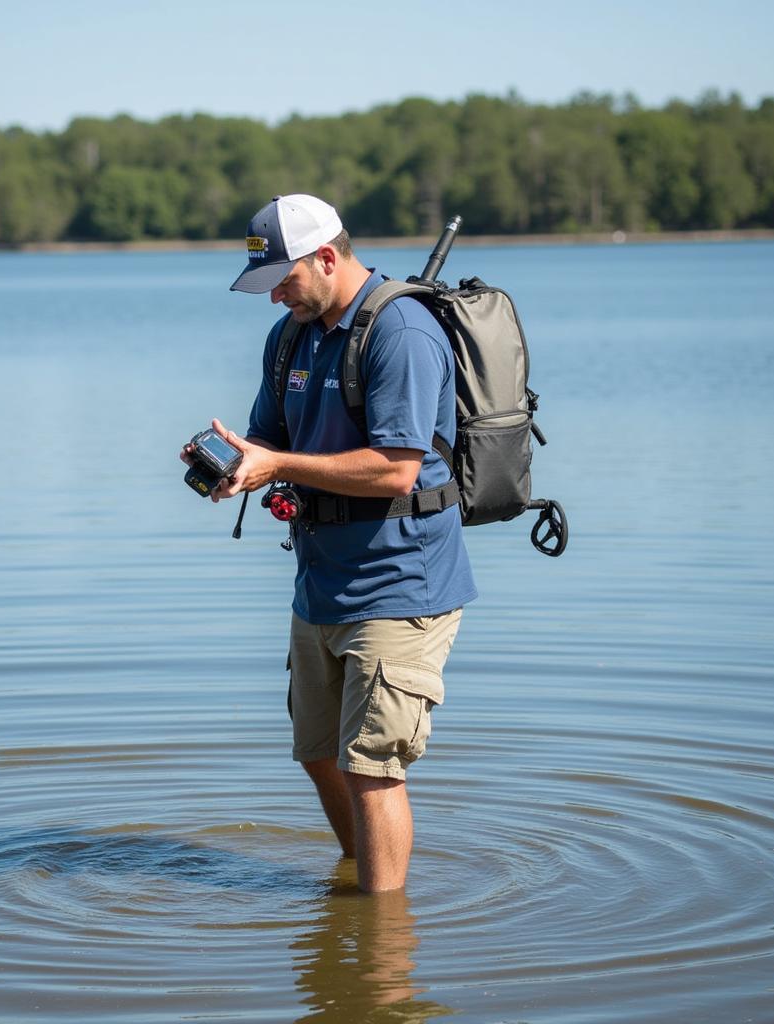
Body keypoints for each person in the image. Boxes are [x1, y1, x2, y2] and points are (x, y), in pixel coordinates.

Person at [190, 194, 477, 891]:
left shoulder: (401, 332)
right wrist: (236, 465)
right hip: (319, 581)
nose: (274, 299)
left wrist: (279, 467)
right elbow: (271, 442)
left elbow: (396, 468)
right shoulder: (291, 335)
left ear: (326, 257)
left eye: (283, 281)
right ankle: (358, 886)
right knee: (320, 752)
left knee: (371, 767)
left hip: (401, 582)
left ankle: (377, 953)